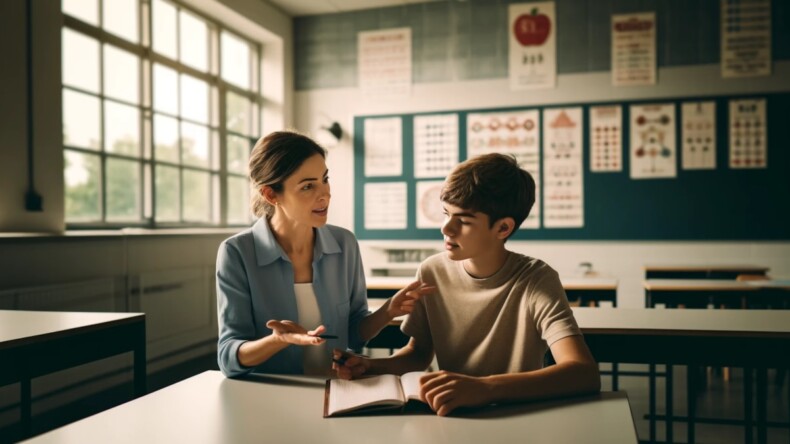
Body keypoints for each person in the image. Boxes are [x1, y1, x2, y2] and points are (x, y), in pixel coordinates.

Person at [333, 153, 600, 415]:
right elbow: (418, 354)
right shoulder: (432, 271)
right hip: (451, 415)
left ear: (503, 229)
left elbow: (583, 372)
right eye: (446, 214)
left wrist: (485, 388)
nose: (446, 228)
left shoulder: (536, 280)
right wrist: (370, 367)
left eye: (463, 221)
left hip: (517, 417)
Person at [217, 131, 433, 378]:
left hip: (337, 390)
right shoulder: (237, 253)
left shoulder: (345, 243)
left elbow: (352, 334)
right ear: (271, 194)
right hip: (272, 395)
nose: (325, 194)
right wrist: (278, 340)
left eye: (325, 179)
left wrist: (388, 312)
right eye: (308, 186)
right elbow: (228, 357)